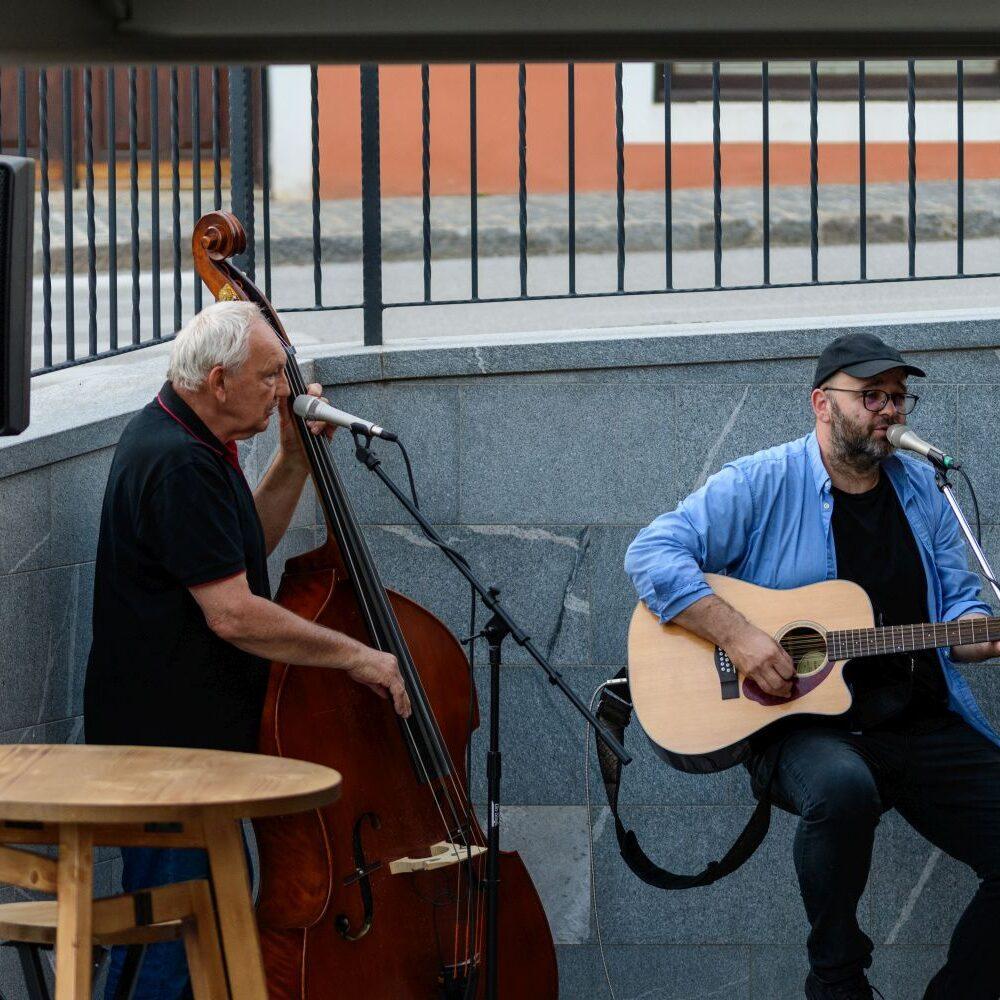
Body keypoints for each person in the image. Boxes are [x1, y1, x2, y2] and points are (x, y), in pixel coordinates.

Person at [625, 332, 1000, 1000]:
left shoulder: (925, 489)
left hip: (917, 719)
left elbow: (959, 607)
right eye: (871, 396)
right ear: (822, 403)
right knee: (842, 788)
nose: (890, 410)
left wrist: (980, 634)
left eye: (898, 397)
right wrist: (740, 636)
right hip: (800, 727)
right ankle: (837, 977)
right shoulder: (762, 480)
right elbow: (652, 553)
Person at [84, 300, 410, 1000]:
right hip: (167, 762)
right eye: (269, 376)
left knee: (190, 947)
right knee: (176, 951)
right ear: (219, 380)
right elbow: (233, 614)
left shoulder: (195, 439)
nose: (283, 390)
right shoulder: (177, 462)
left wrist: (292, 459)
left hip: (191, 757)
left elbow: (239, 550)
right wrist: (356, 656)